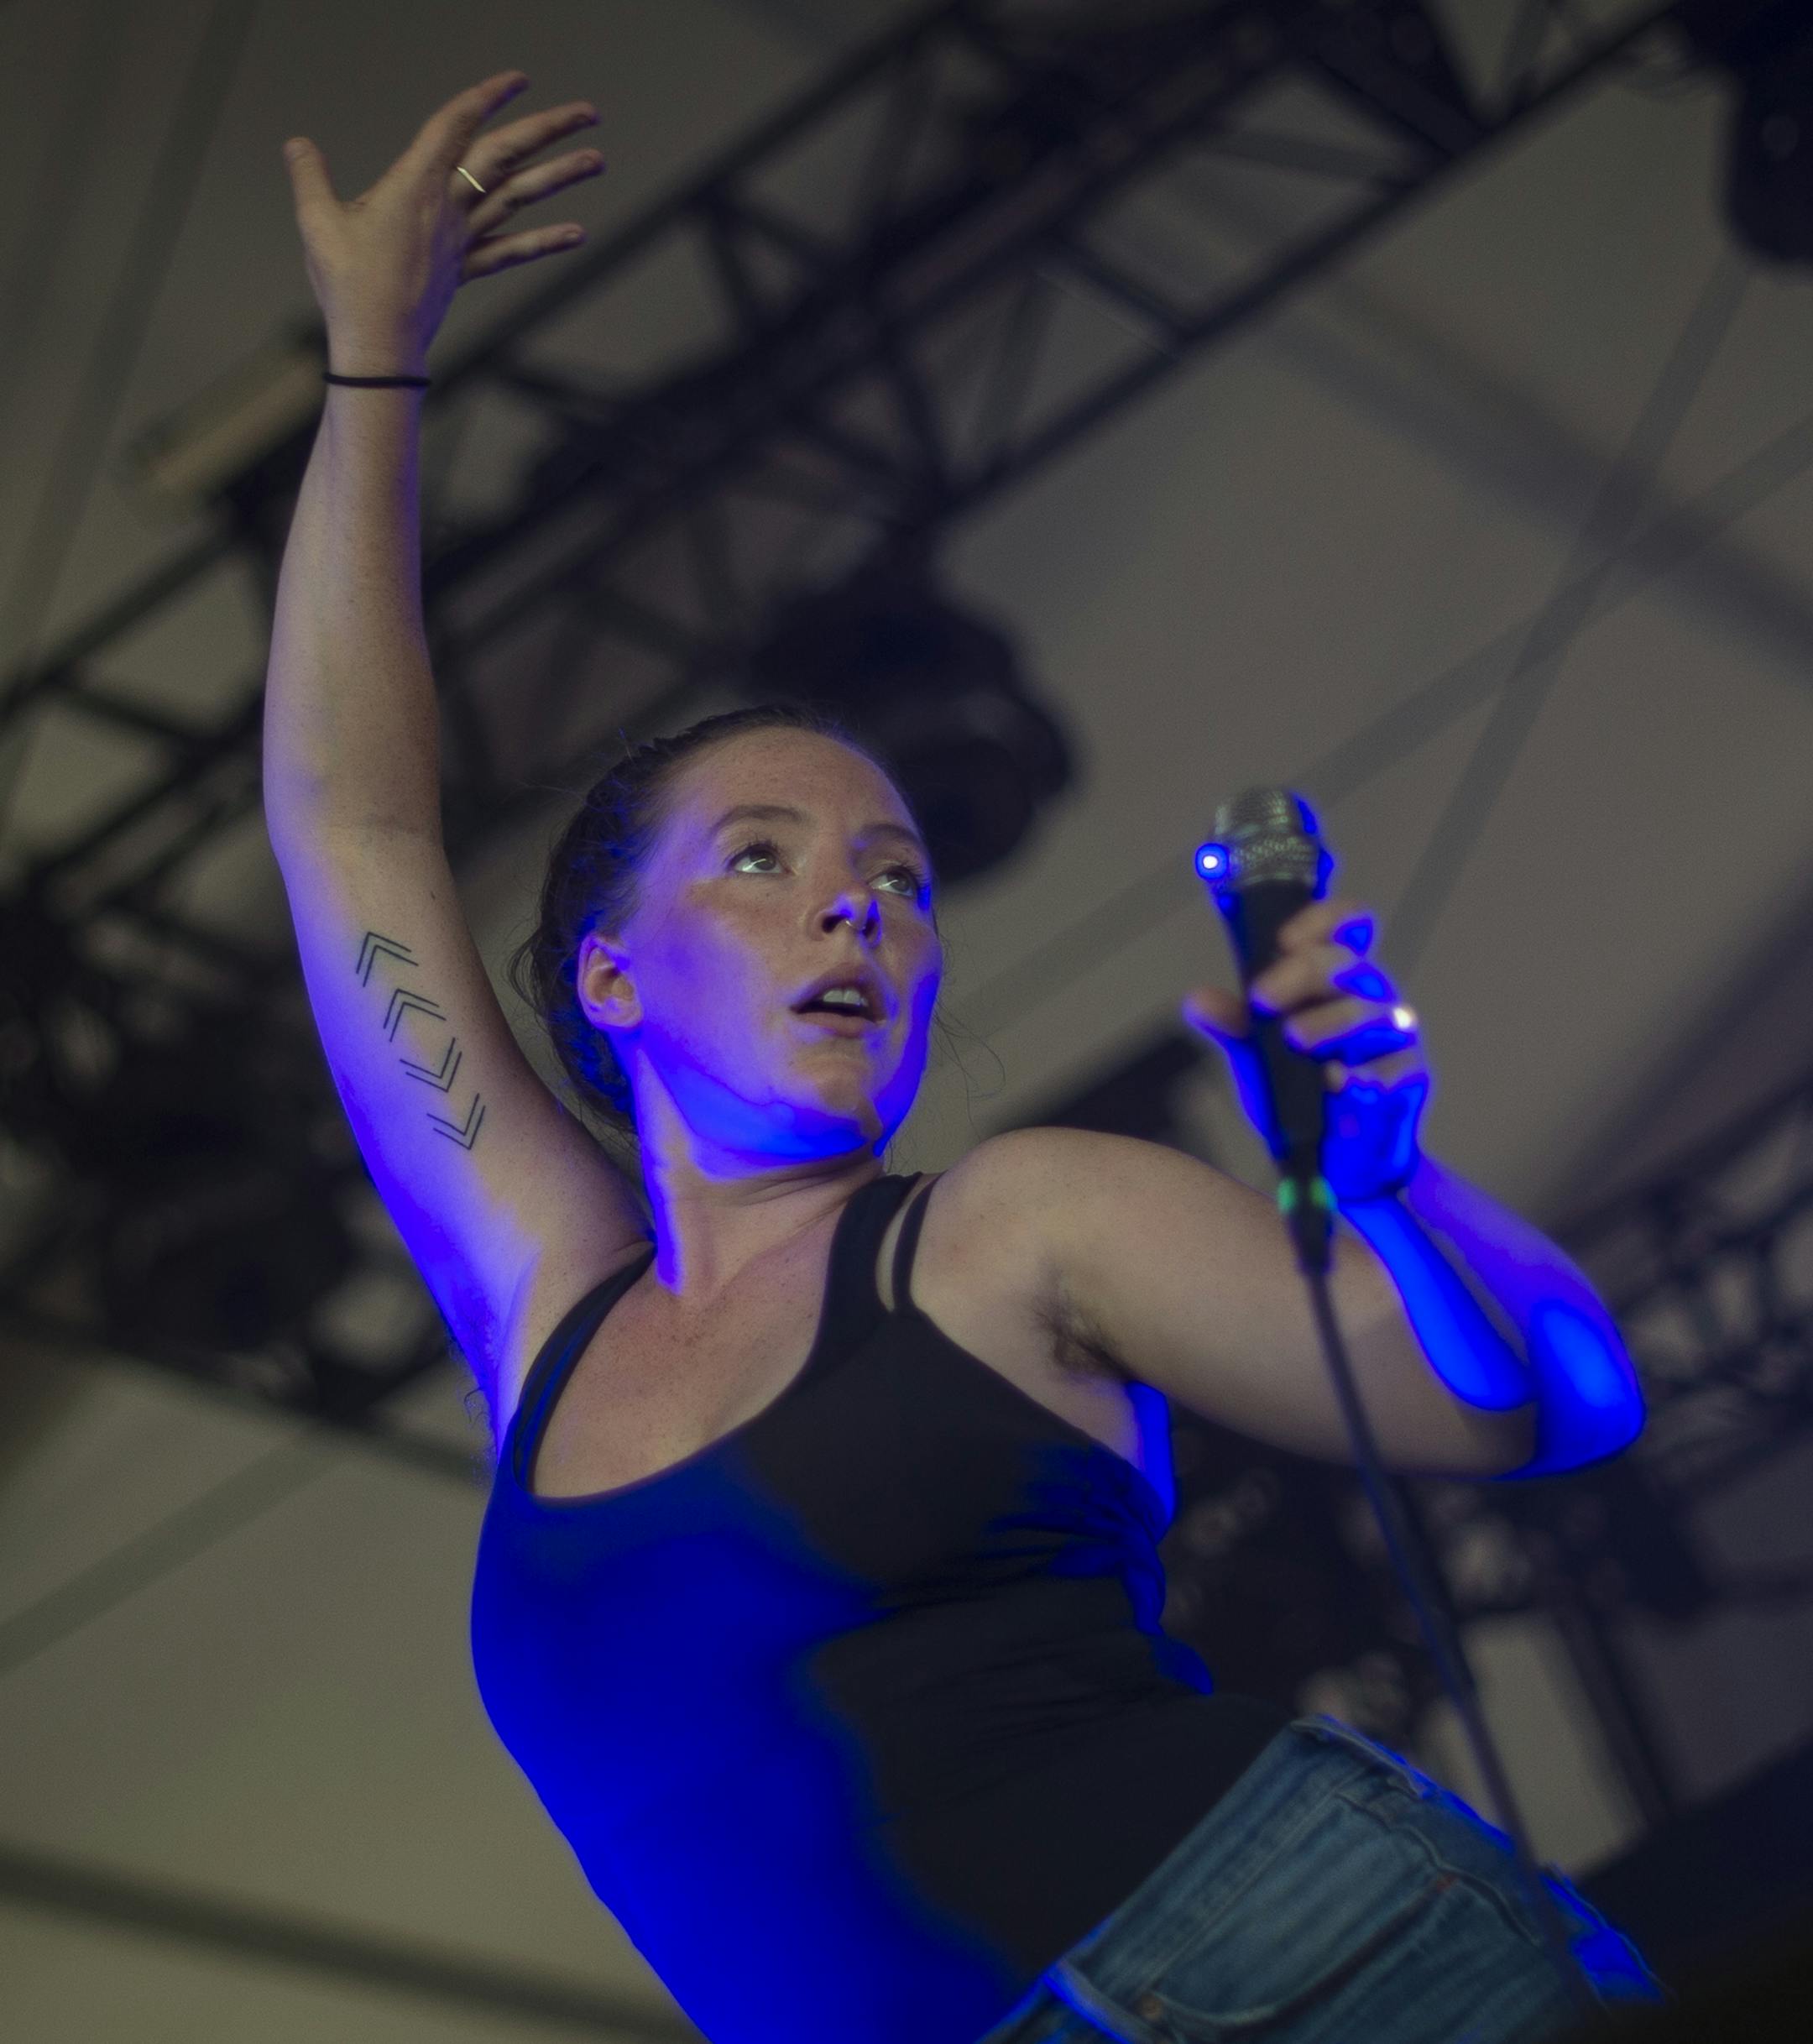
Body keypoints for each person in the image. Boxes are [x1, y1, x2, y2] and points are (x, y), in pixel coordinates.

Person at [268, 71, 1668, 2044]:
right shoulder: (544, 1306)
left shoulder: (1016, 1227)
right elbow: (349, 824)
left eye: (899, 880)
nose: (859, 909)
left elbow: (1553, 1405)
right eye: (763, 862)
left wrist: (1397, 1195)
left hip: (1303, 1961)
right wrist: (374, 372)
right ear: (605, 977)